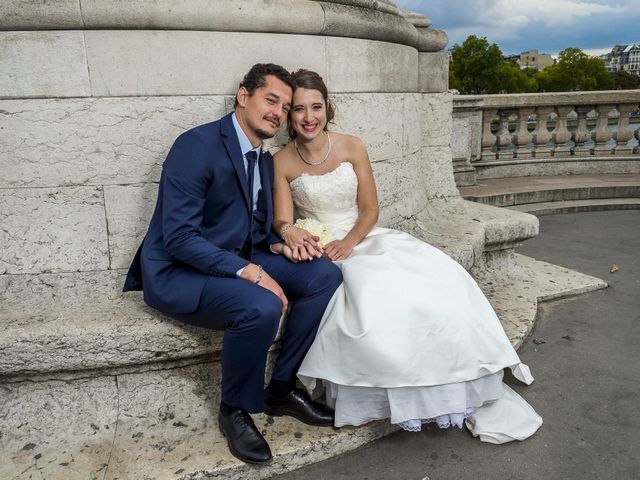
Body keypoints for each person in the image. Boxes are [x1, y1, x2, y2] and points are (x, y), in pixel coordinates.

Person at [272, 69, 542, 443]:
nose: (308, 117)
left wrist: (350, 241)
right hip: (322, 248)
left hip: (361, 236)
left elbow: (369, 210)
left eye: (316, 106)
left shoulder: (352, 146)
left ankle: (447, 386)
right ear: (289, 115)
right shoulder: (282, 161)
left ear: (327, 107)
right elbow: (283, 219)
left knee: (436, 286)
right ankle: (382, 395)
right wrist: (292, 231)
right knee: (371, 298)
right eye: (299, 109)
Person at [123, 64, 342, 464]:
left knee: (324, 275)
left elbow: (254, 229)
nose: (278, 112)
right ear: (243, 96)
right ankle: (235, 410)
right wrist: (254, 273)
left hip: (239, 257)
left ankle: (281, 387)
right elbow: (180, 238)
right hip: (182, 270)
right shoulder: (196, 145)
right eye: (270, 100)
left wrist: (279, 248)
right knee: (260, 306)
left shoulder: (260, 156)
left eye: (285, 106)